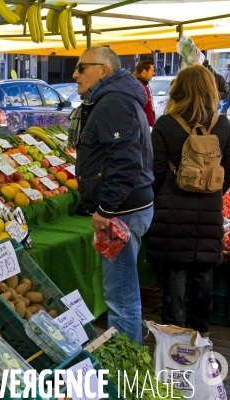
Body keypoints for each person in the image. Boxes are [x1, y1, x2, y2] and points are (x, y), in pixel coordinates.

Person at [69, 47, 154, 343]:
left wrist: (105, 209)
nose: (74, 74)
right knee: (122, 290)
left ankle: (126, 369)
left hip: (122, 212)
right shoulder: (114, 99)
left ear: (104, 70)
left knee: (121, 294)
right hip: (130, 206)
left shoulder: (113, 103)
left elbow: (126, 161)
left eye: (82, 67)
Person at [147, 65, 230, 338]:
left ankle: (174, 341)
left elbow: (154, 172)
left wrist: (167, 193)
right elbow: (228, 172)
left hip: (171, 213)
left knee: (173, 275)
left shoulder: (165, 124)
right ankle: (201, 335)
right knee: (203, 275)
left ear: (177, 89)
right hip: (209, 212)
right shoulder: (223, 124)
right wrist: (210, 190)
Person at [133, 60, 156, 127]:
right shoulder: (141, 87)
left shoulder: (138, 84)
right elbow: (147, 111)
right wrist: (151, 126)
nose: (153, 73)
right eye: (152, 70)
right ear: (144, 72)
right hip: (145, 127)